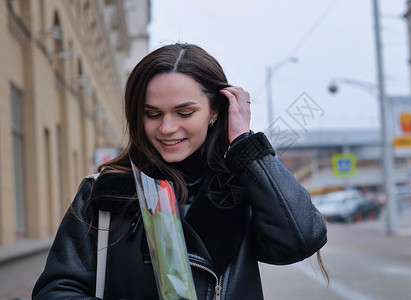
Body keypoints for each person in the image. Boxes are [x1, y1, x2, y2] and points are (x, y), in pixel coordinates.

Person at [32, 43, 328, 299]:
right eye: (152, 114)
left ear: (215, 111)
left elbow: (301, 239)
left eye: (185, 113)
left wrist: (245, 146)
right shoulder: (104, 191)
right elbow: (55, 290)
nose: (167, 128)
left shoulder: (243, 187)